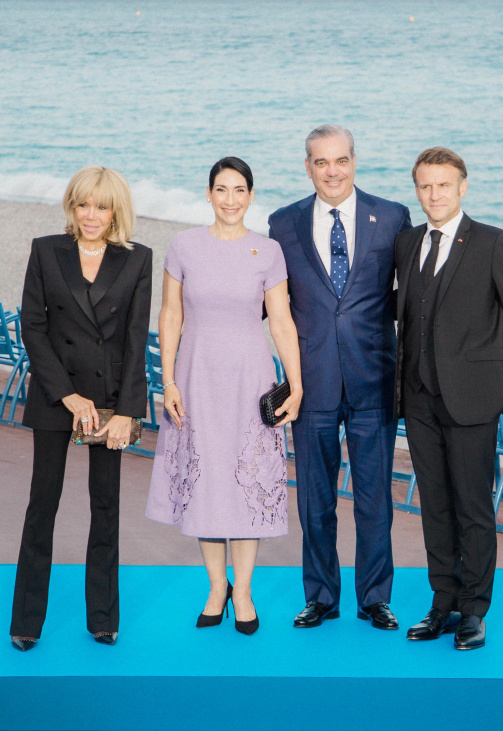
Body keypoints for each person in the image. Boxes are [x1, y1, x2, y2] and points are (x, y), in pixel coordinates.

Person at [145, 157, 302, 636]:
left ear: (251, 196)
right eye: (221, 189)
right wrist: (167, 381)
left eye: (239, 190)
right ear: (209, 194)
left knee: (247, 483)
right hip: (194, 378)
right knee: (208, 480)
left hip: (250, 379)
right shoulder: (183, 246)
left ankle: (245, 591)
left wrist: (295, 387)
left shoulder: (269, 251)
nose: (230, 199)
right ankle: (217, 587)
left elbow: (281, 322)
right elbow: (169, 316)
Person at [394, 147, 503, 651]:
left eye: (443, 185)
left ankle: (474, 610)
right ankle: (443, 603)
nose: (434, 194)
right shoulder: (407, 242)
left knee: (473, 507)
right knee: (434, 505)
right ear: (417, 189)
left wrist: (502, 375)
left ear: (462, 186)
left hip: (472, 399)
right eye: (425, 186)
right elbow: (405, 315)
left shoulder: (493, 244)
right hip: (417, 398)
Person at [267, 125, 412, 630]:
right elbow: (271, 303)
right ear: (307, 166)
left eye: (341, 160)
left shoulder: (392, 217)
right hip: (312, 383)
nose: (332, 171)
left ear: (355, 161)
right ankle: (321, 597)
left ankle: (375, 598)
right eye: (321, 162)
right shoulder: (282, 223)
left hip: (374, 378)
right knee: (315, 499)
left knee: (375, 500)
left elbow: (412, 299)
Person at [10, 166, 153, 650]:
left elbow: (136, 340)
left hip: (110, 400)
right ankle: (26, 622)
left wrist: (129, 410)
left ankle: (103, 619)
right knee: (41, 507)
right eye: (83, 204)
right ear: (73, 206)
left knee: (105, 507)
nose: (91, 215)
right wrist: (67, 395)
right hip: (57, 397)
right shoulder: (46, 250)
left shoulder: (137, 260)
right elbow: (32, 326)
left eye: (101, 205)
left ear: (116, 211)